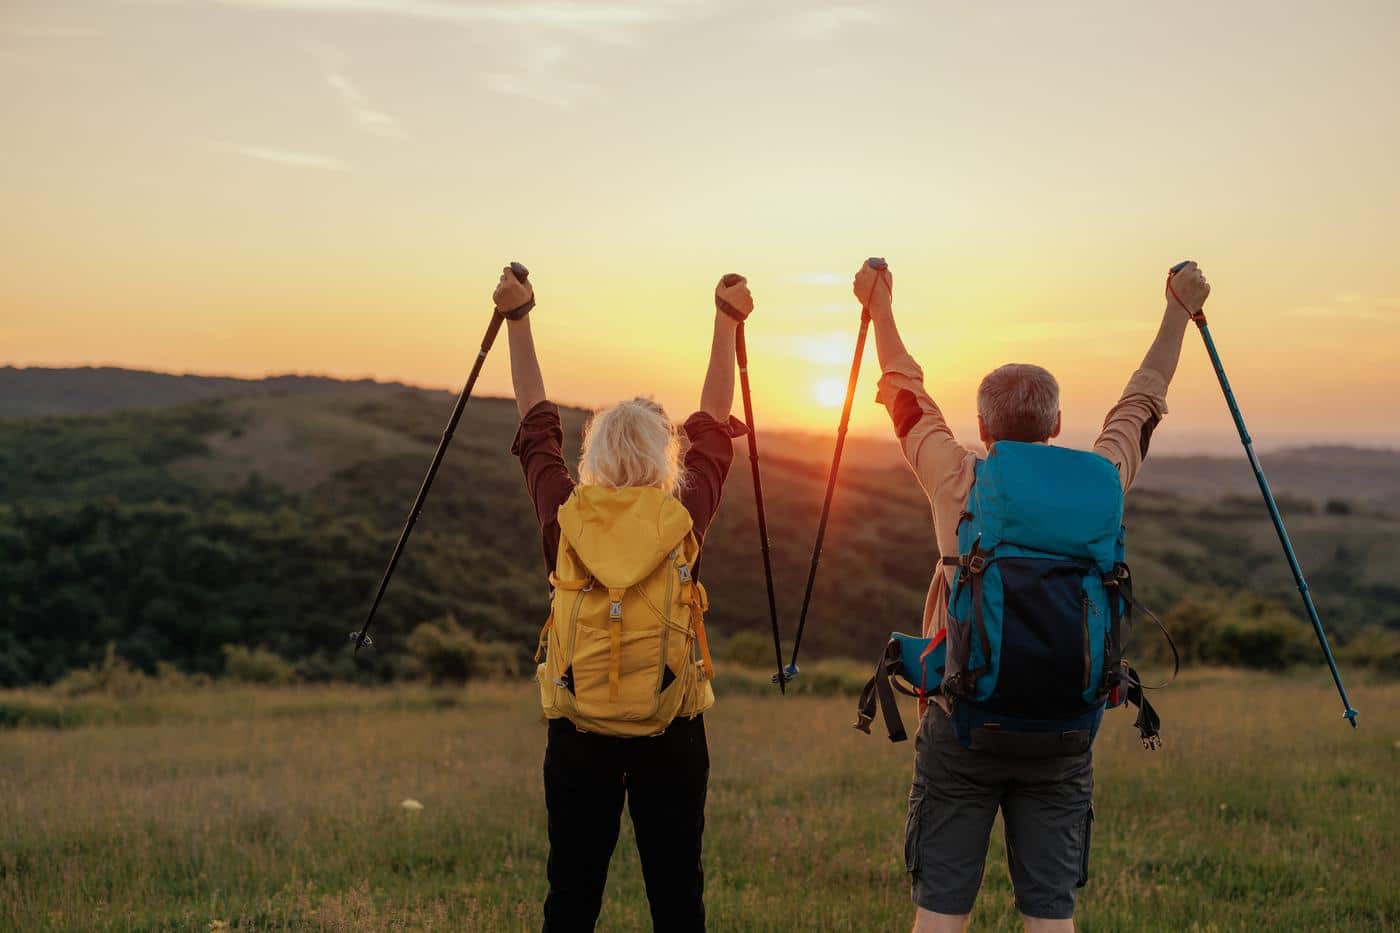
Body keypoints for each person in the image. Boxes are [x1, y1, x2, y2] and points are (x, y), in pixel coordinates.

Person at [853, 259, 1211, 933]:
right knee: (1051, 919)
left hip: (962, 724)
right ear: (1056, 425)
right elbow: (1143, 400)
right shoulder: (1103, 478)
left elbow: (905, 394)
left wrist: (880, 309)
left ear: (984, 428)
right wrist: (1176, 309)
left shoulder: (958, 479)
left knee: (940, 916)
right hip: (1066, 733)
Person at [496, 264, 751, 933]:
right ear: (666, 460)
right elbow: (714, 422)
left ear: (596, 454)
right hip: (672, 729)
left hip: (580, 732)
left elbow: (535, 423)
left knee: (572, 897)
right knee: (677, 899)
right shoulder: (684, 515)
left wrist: (518, 317)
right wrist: (726, 318)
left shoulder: (564, 514)